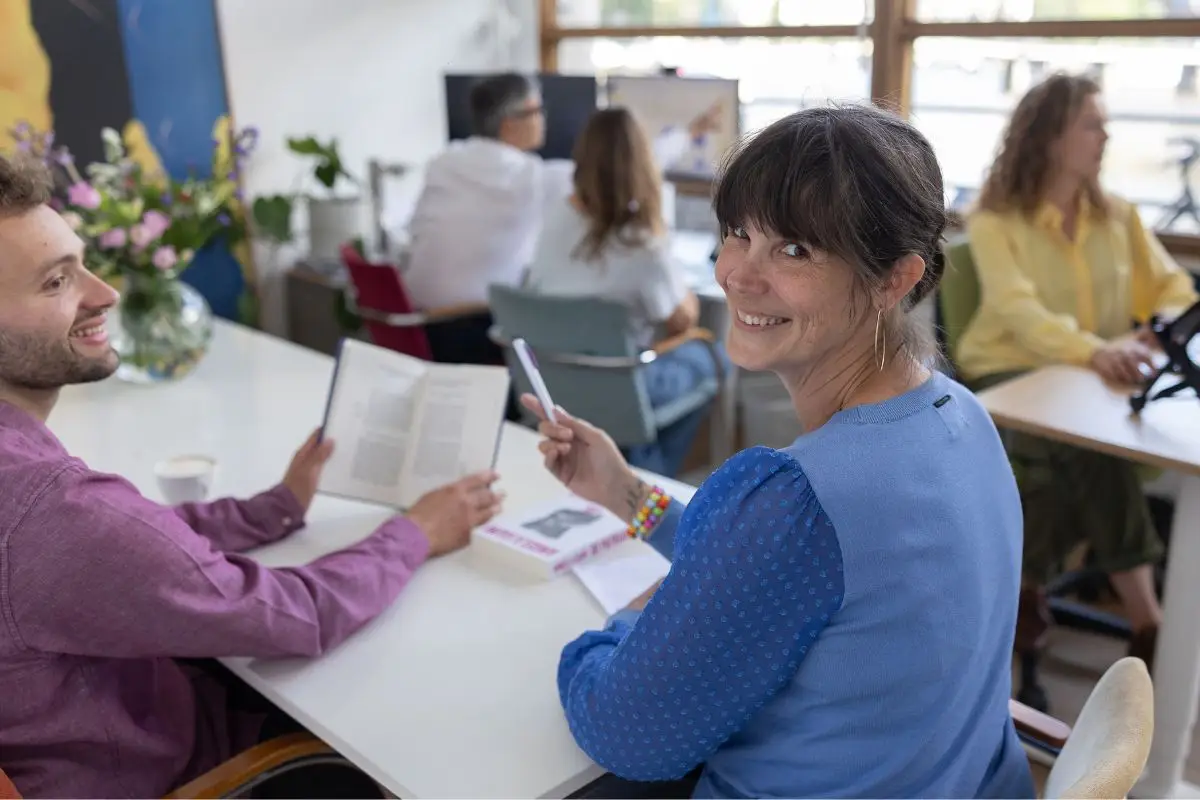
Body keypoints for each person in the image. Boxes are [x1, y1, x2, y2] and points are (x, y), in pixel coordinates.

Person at [524, 105, 1033, 798]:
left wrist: (621, 626)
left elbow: (625, 731)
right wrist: (626, 495)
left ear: (894, 280)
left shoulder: (796, 499)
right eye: (737, 233)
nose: (737, 274)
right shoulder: (961, 417)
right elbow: (780, 570)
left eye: (794, 250)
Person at [0, 153, 504, 799]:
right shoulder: (52, 513)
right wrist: (416, 532)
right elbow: (294, 616)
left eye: (83, 264)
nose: (105, 293)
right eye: (55, 283)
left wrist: (273, 509)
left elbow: (127, 548)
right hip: (169, 770)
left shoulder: (47, 508)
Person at [956, 73, 1200, 667]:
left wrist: (1162, 327)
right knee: (1091, 448)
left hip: (1092, 377)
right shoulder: (994, 220)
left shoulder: (1118, 217)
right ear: (1049, 137)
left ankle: (1024, 586)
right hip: (1006, 377)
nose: (1105, 136)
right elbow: (1017, 310)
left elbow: (1170, 285)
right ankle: (1149, 620)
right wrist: (1094, 350)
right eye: (1093, 123)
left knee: (1071, 463)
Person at [402, 73, 720, 356]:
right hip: (475, 333)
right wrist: (689, 133)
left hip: (415, 325)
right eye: (537, 110)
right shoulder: (537, 182)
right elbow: (620, 169)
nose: (544, 118)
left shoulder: (443, 162)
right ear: (509, 124)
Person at [524, 107, 726, 478]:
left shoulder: (554, 219)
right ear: (643, 164)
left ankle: (630, 466)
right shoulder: (642, 246)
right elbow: (682, 322)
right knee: (714, 357)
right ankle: (652, 474)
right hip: (621, 387)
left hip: (557, 385)